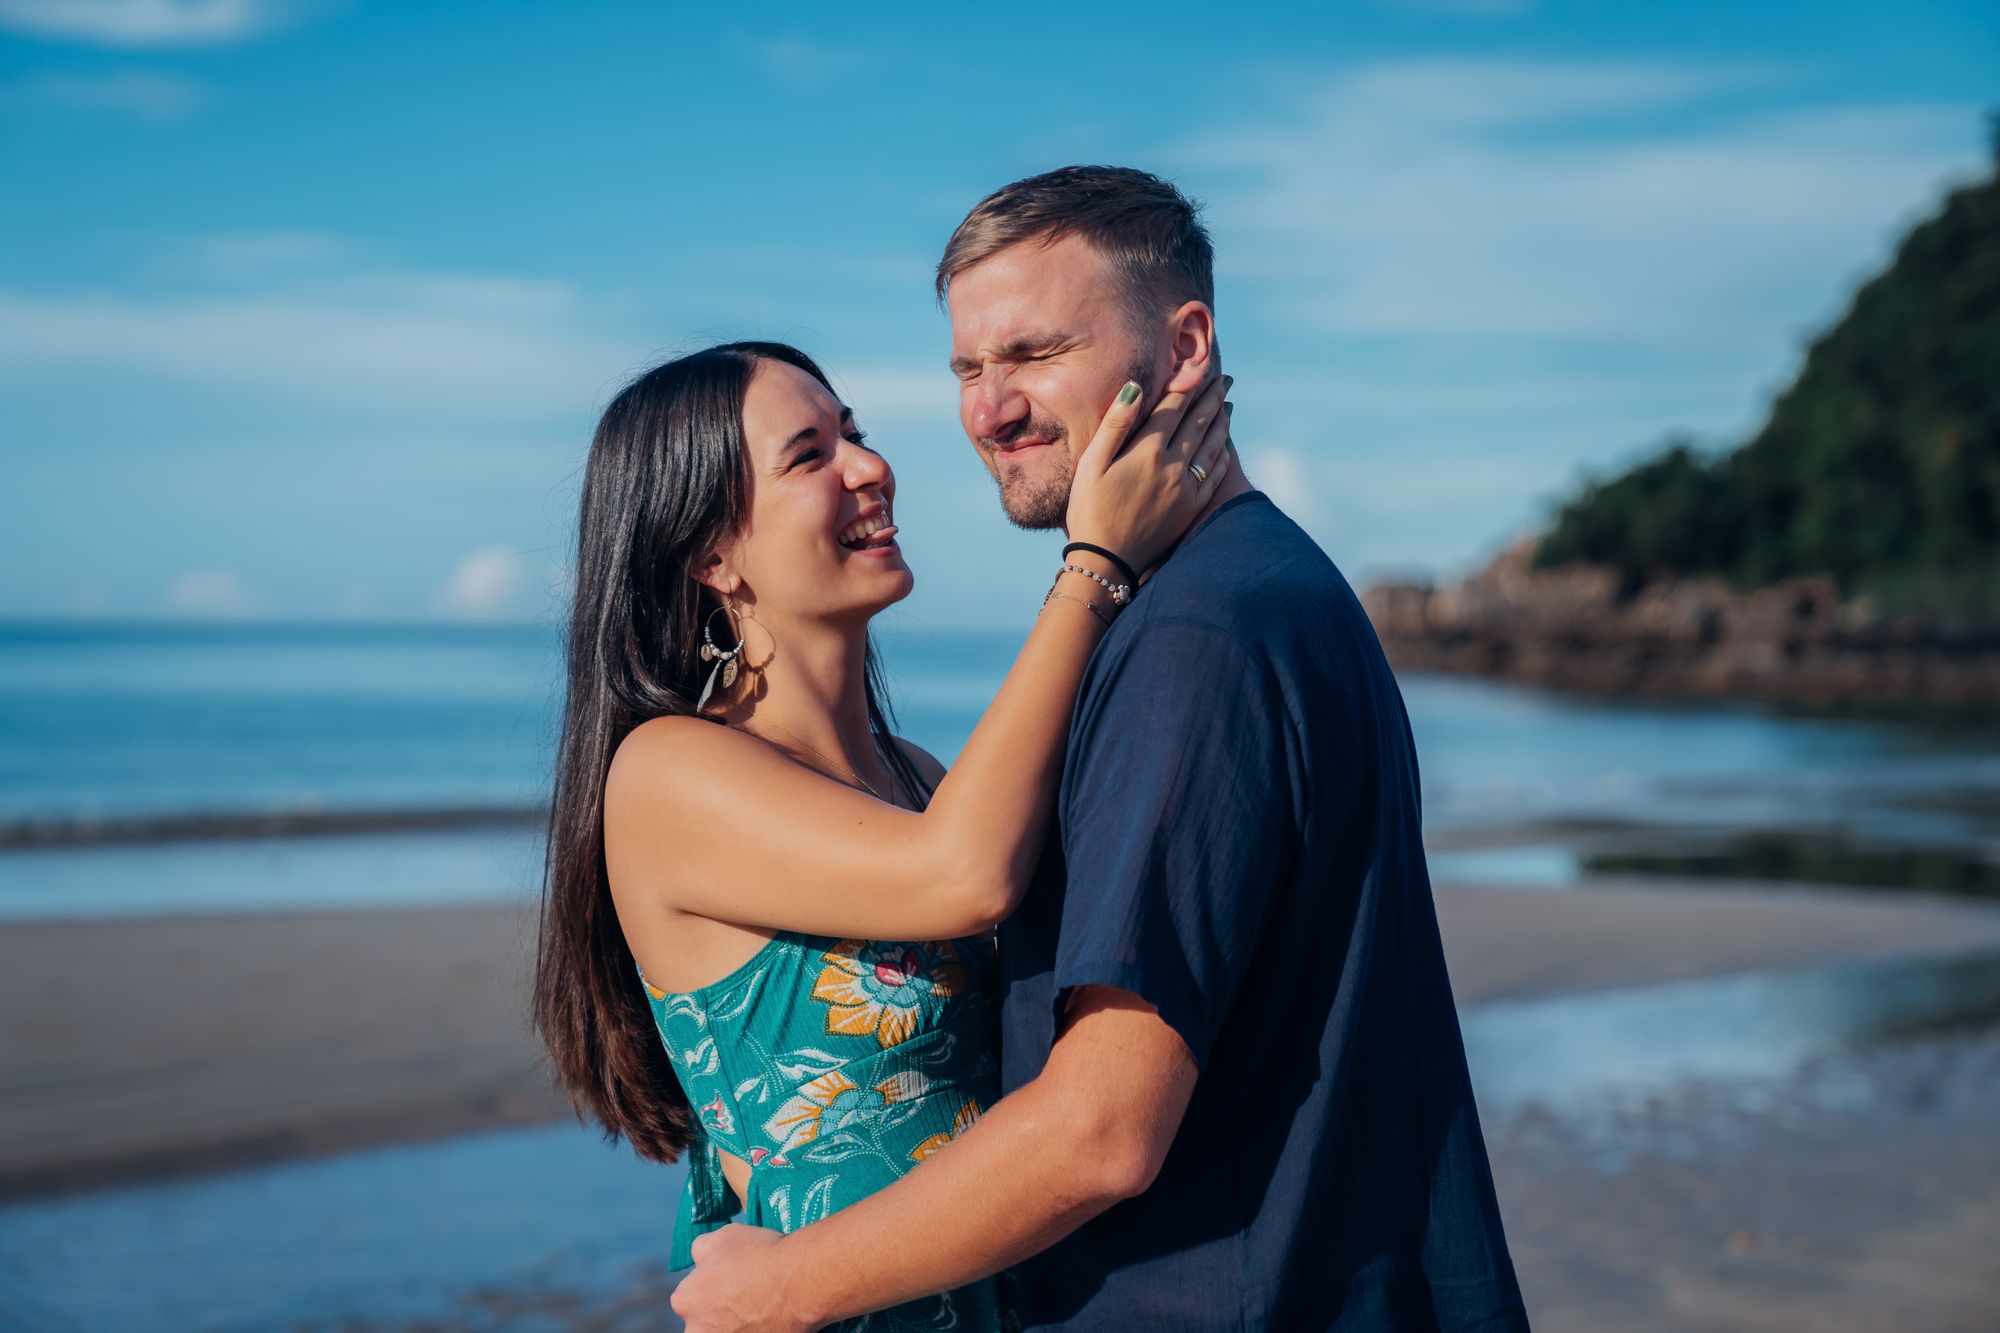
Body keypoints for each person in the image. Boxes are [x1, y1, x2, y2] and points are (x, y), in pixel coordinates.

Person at [670, 168, 1530, 1331]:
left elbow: (1101, 1129)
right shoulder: (1262, 587)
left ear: (1183, 346)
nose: (987, 410)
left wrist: (788, 1283)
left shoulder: (1192, 634)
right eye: (969, 369)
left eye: (1032, 354)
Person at [534, 338, 1234, 1333]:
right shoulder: (666, 773)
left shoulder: (916, 778)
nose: (868, 467)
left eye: (853, 434)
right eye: (808, 454)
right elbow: (964, 876)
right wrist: (1094, 562)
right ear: (710, 555)